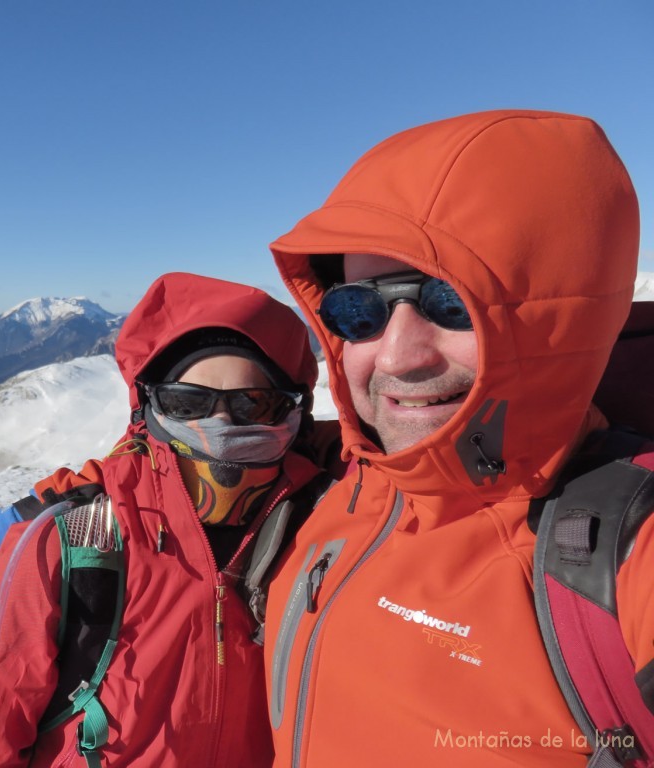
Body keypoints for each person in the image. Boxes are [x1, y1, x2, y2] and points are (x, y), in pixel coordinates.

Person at [263, 109, 651, 766]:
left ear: (555, 314)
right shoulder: (337, 492)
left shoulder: (625, 547)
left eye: (450, 301)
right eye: (358, 310)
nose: (395, 357)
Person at [0, 272, 340, 767]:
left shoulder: (328, 517)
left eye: (255, 402)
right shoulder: (69, 543)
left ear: (295, 412)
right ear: (150, 407)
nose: (223, 423)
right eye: (188, 401)